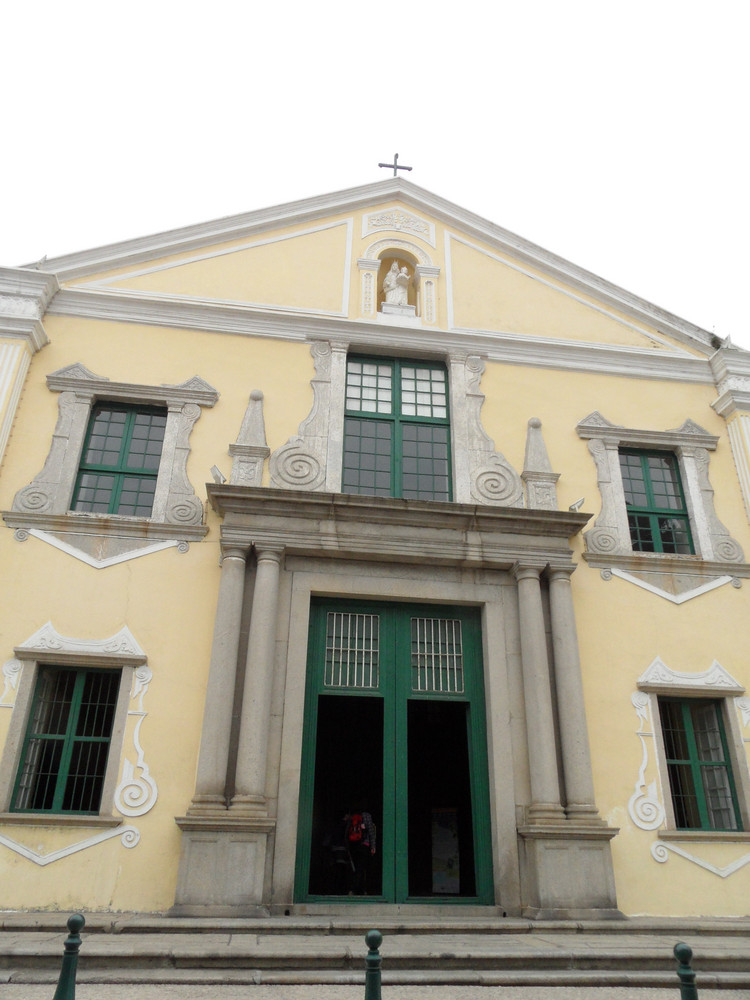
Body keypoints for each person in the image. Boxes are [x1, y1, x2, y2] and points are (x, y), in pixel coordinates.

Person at [346, 804, 376, 895]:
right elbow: (371, 831)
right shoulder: (367, 816)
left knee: (355, 867)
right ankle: (355, 889)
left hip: (353, 845)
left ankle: (358, 889)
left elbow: (347, 831)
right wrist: (373, 846)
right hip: (364, 845)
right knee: (361, 868)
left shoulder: (351, 816)